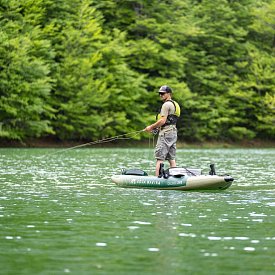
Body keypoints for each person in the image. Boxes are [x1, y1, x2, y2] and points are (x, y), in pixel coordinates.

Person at [144, 85, 181, 176]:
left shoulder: (166, 104)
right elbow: (169, 121)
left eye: (163, 93)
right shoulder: (175, 104)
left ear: (169, 94)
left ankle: (157, 179)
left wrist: (151, 127)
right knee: (171, 158)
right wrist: (157, 127)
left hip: (166, 133)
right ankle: (175, 178)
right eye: (159, 93)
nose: (160, 95)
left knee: (159, 158)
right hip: (173, 132)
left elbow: (162, 120)